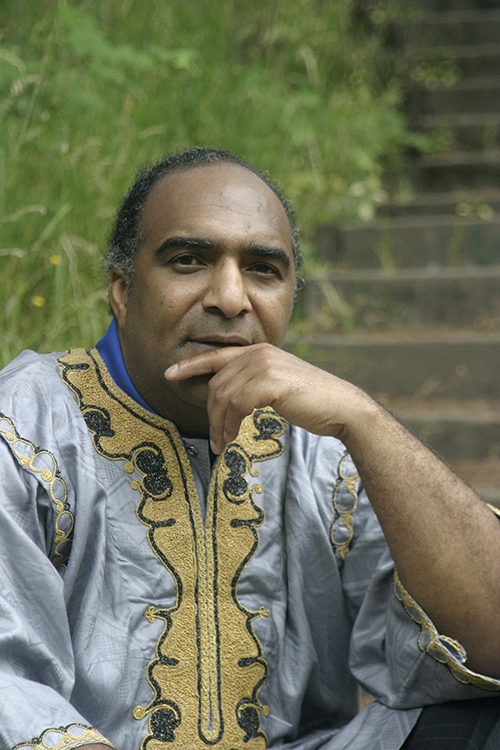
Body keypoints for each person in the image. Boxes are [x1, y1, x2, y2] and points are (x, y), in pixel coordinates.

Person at [0, 147, 500, 750]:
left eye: (264, 270)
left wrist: (366, 421)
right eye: (188, 260)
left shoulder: (322, 446)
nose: (231, 298)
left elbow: (489, 639)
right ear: (123, 292)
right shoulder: (28, 425)